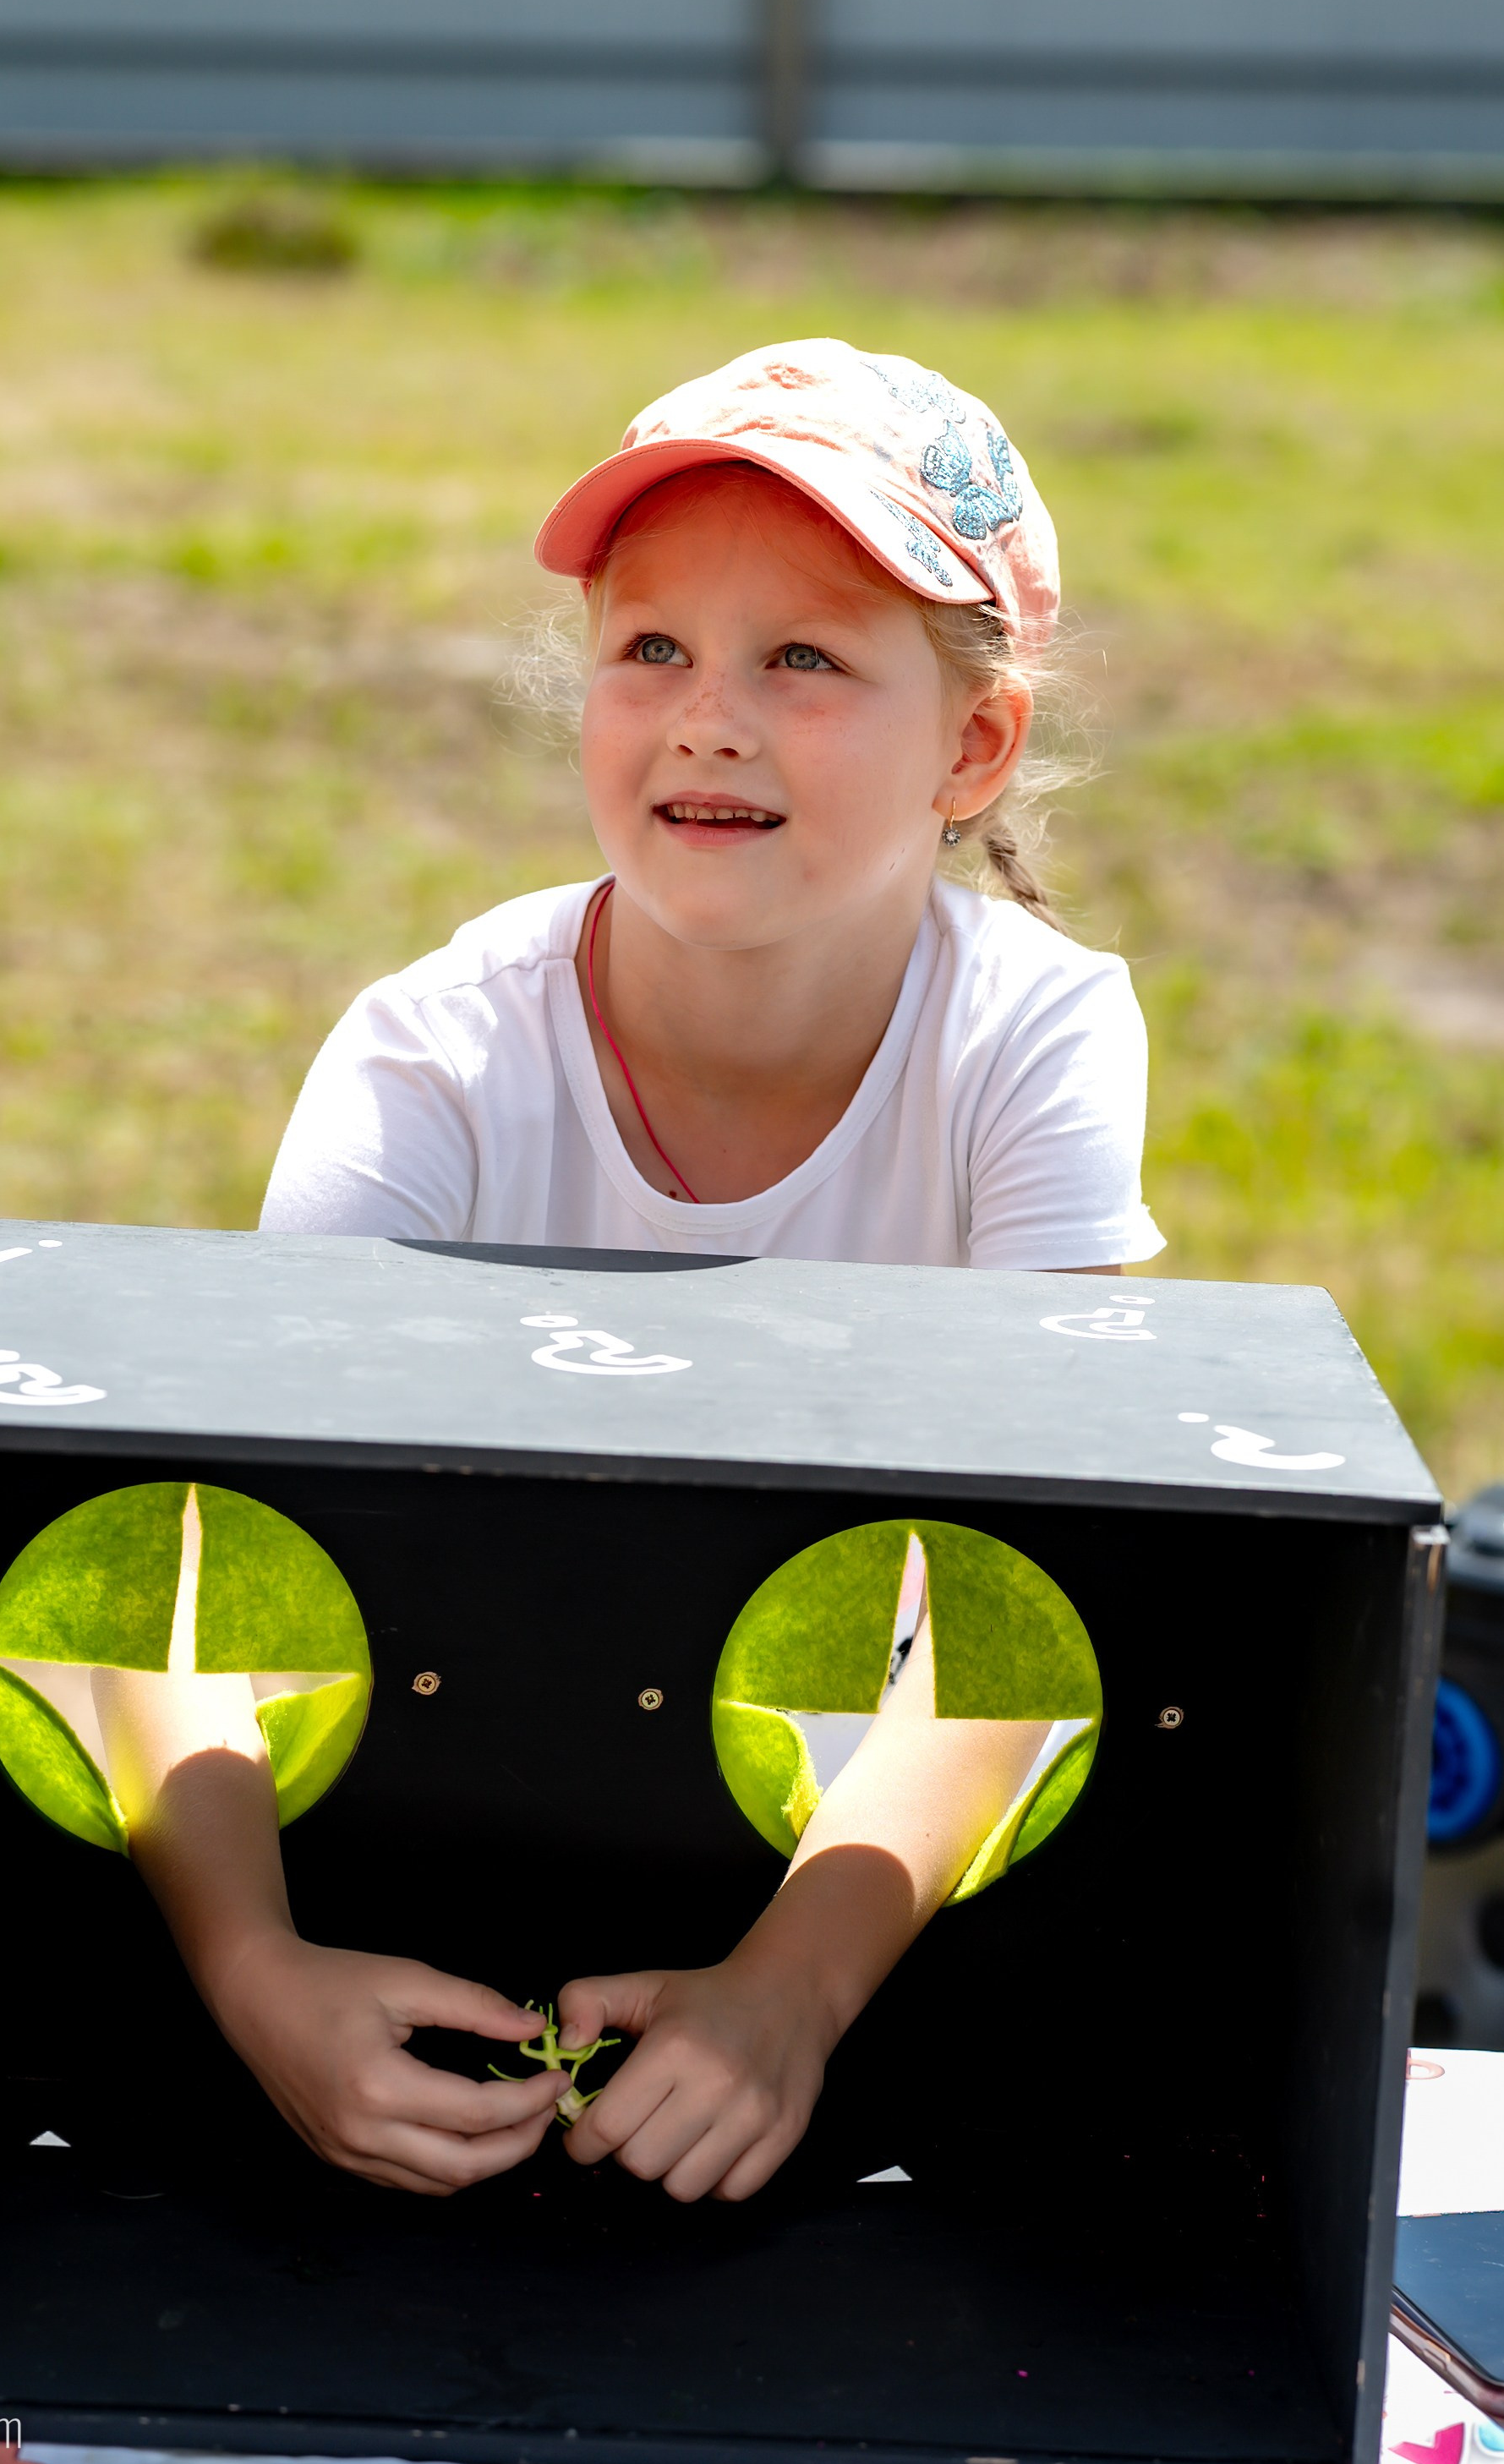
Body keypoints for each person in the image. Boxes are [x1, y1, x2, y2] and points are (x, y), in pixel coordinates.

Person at [109, 339, 1165, 2205]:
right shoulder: (432, 1056)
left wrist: (796, 1986)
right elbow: (197, 1552)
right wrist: (255, 1969)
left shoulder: (1038, 1041)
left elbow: (1049, 1579)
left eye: (806, 659)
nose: (708, 720)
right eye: (651, 647)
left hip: (877, 1949)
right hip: (421, 1890)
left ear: (976, 746)